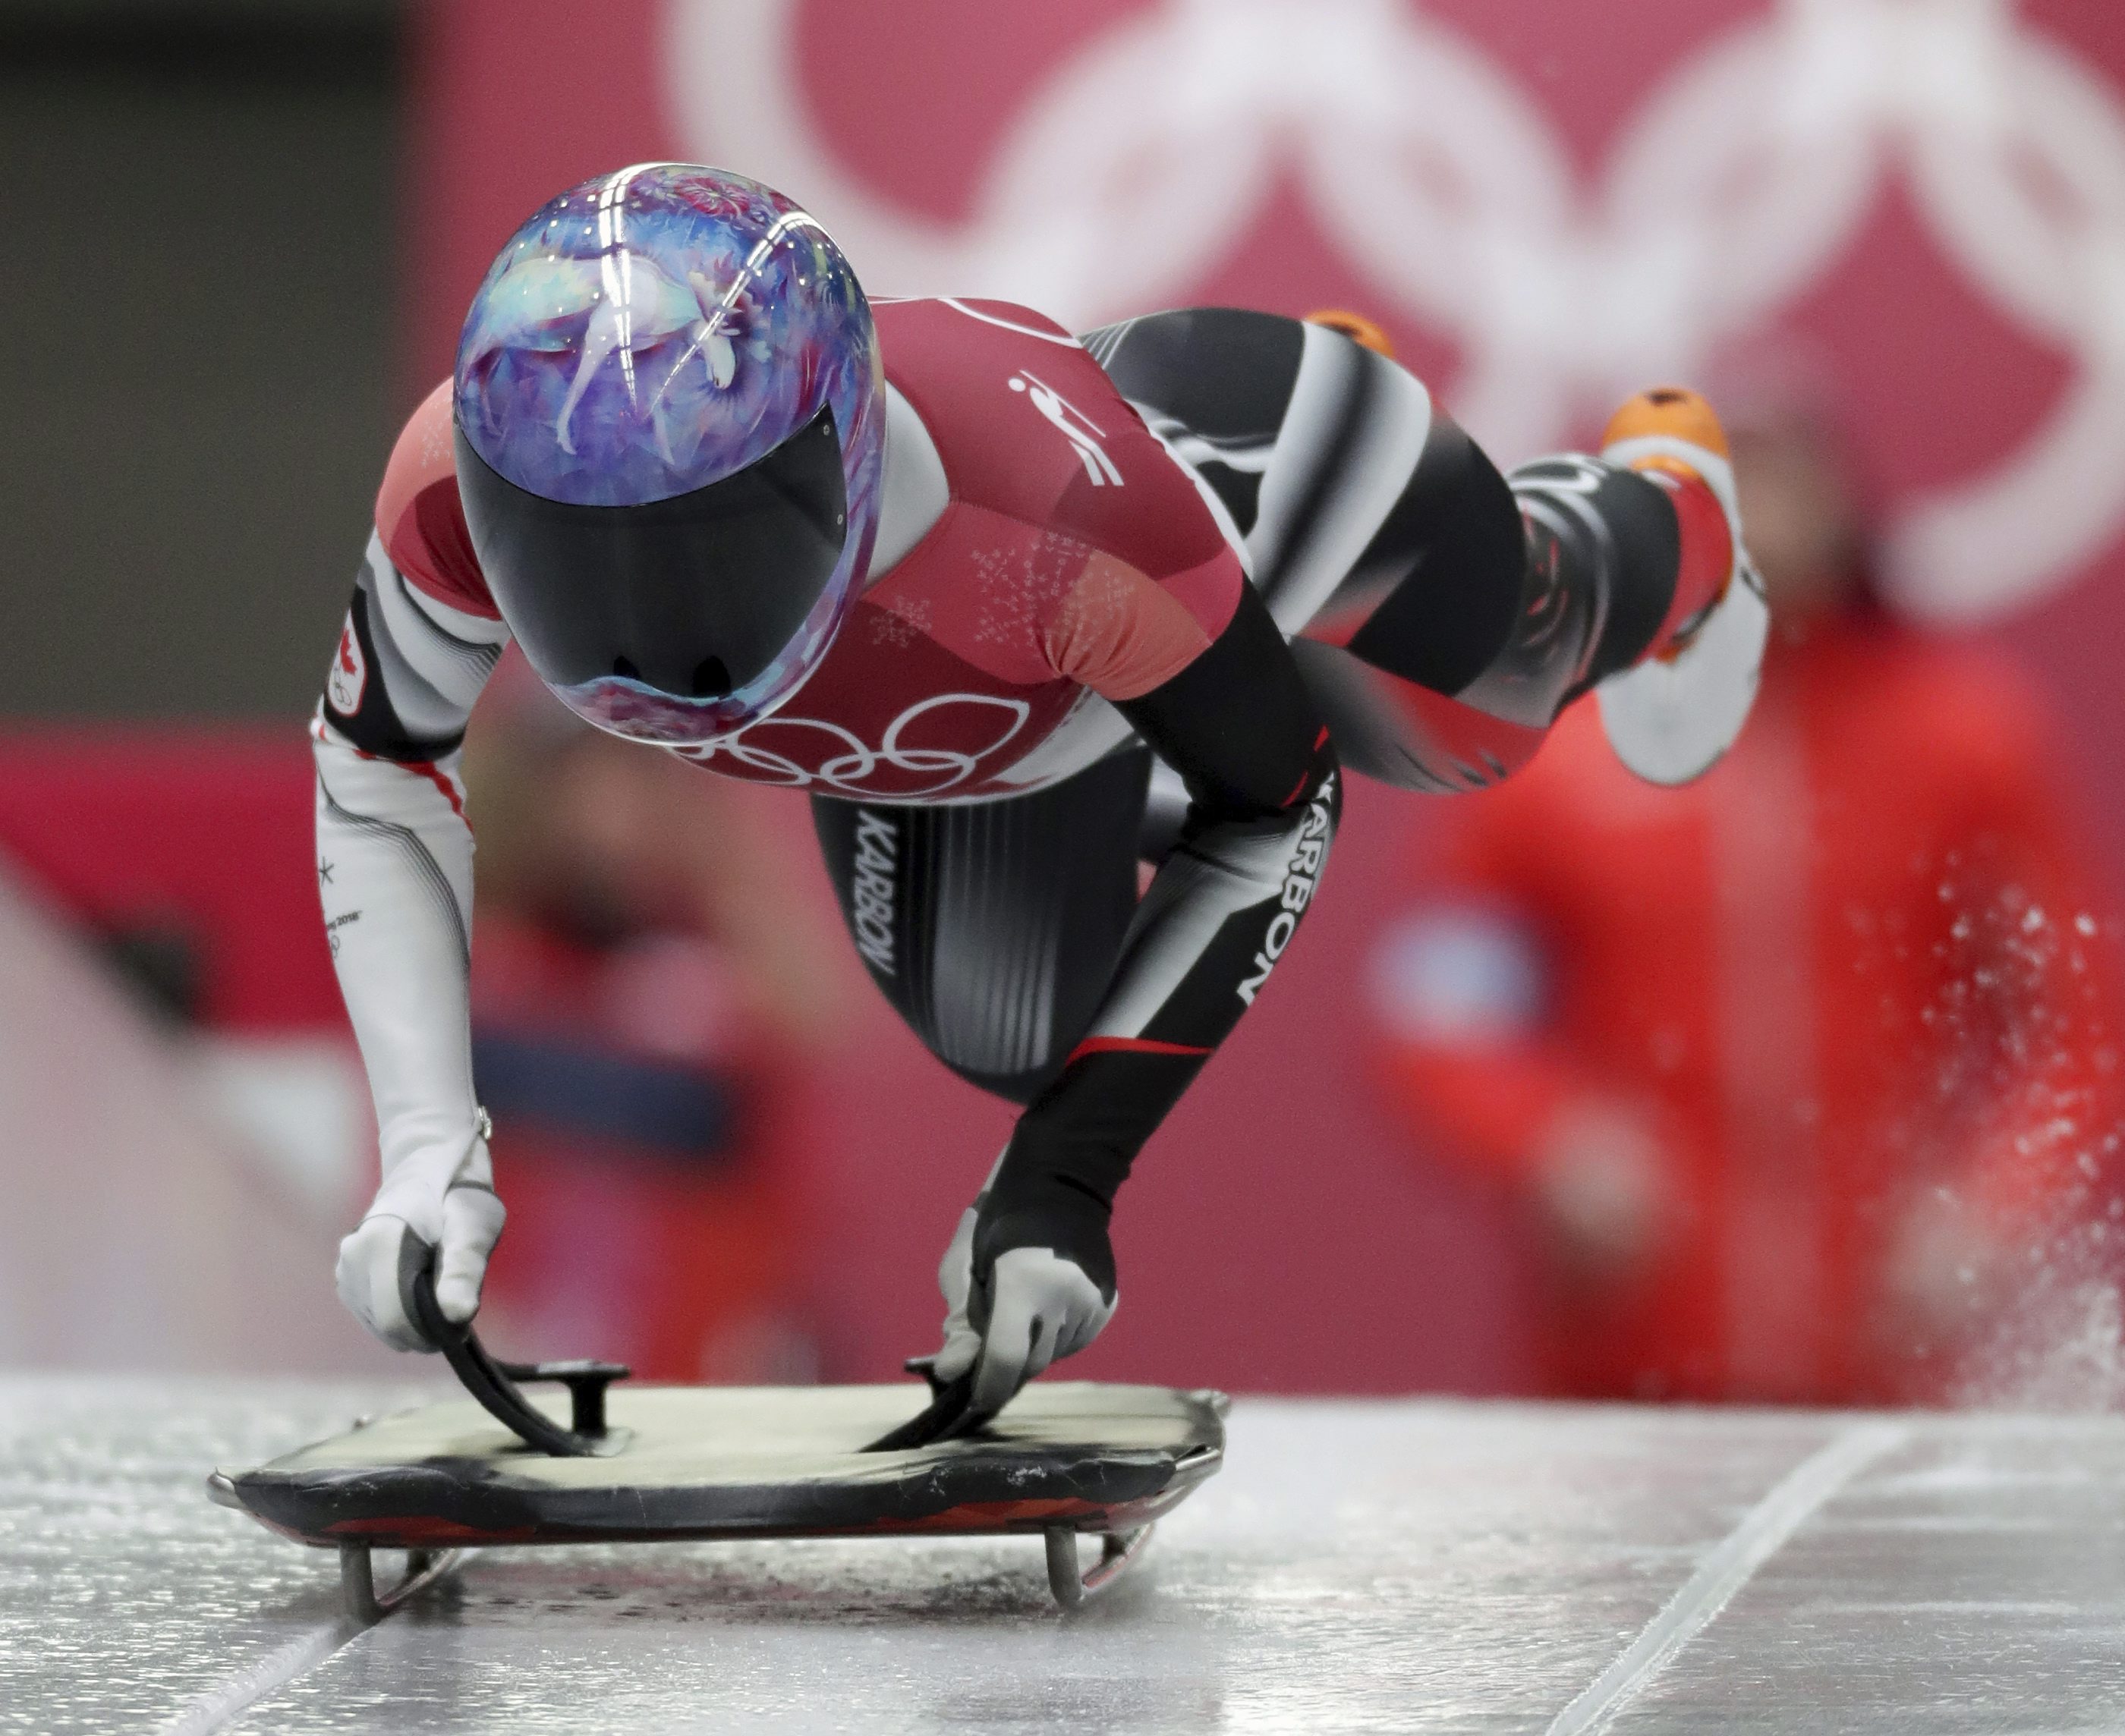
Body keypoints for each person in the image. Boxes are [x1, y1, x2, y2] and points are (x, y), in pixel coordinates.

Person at [315, 163, 1761, 1428]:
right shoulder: (454, 473)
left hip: (1229, 510)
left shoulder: (1056, 530)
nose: (643, 631)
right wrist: (427, 1157)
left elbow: (1277, 803)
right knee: (1016, 1030)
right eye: (573, 562)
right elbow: (378, 766)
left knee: (1469, 718)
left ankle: (1672, 507)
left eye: (706, 551)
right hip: (1032, 691)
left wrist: (1065, 1185)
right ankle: (1161, 704)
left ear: (850, 455)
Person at [1368, 384, 2125, 1404]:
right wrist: (1548, 1142)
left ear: (1844, 500)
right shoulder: (1551, 740)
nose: (1749, 511)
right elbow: (1441, 1011)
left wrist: (1990, 1207)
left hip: (1887, 1372)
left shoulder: (1964, 737)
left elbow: (2078, 1026)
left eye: (1775, 473)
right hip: (1623, 1370)